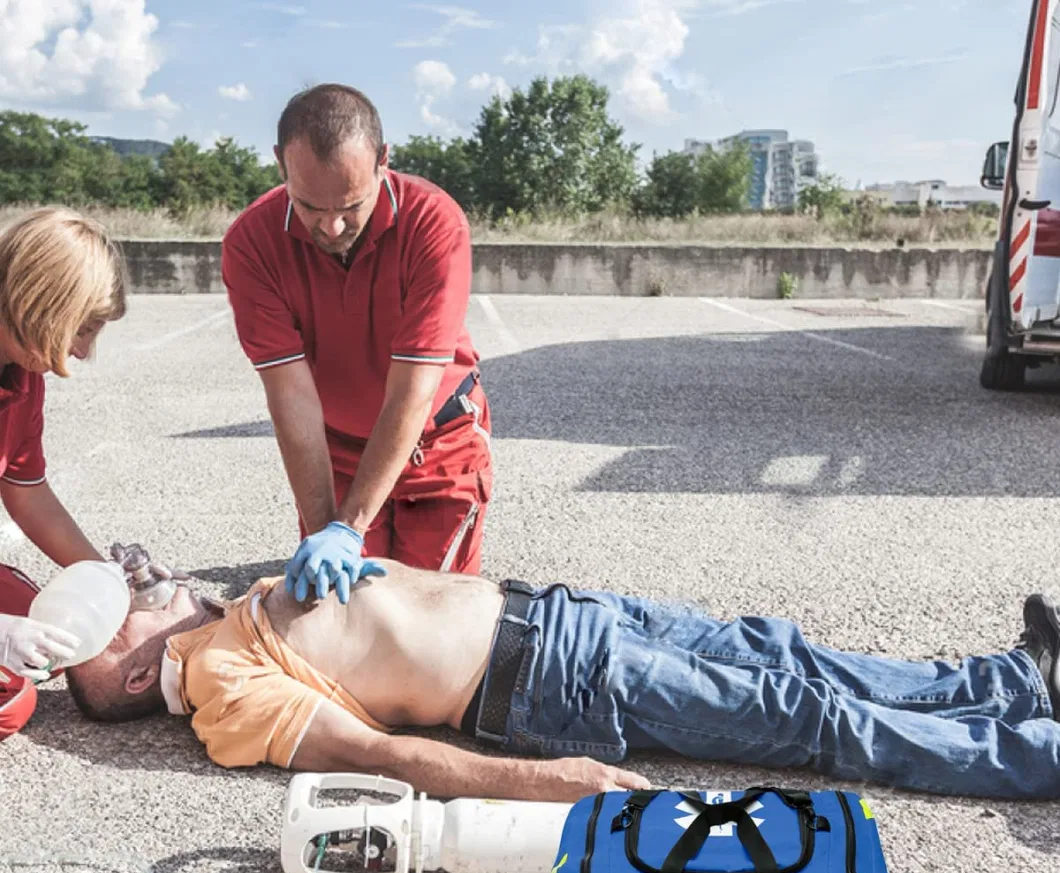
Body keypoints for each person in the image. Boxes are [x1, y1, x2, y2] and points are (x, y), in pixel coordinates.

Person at [65, 556, 1060, 801]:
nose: (133, 575)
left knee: (784, 653)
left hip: (559, 615)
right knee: (800, 716)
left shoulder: (233, 610)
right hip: (547, 683)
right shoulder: (225, 689)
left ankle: (1009, 684)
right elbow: (379, 754)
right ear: (137, 665)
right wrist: (544, 781)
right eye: (122, 600)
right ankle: (1031, 753)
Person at [221, 83, 491, 606]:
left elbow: (411, 392)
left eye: (351, 205)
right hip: (335, 450)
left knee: (432, 616)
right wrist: (326, 529)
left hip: (438, 443)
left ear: (384, 160)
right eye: (309, 206)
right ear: (280, 164)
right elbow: (290, 396)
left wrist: (350, 529)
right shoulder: (251, 242)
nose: (332, 225)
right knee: (341, 615)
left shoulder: (434, 222)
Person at [0, 207, 127, 740]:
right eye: (85, 327)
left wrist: (107, 578)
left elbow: (26, 492)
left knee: (48, 629)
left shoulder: (22, 375)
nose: (83, 350)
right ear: (42, 302)